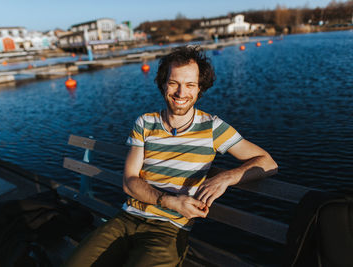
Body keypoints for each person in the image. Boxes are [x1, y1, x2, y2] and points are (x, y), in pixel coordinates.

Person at [64, 46, 278, 267]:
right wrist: (172, 201)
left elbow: (268, 163)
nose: (181, 93)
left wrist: (227, 177)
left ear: (199, 89)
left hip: (167, 230)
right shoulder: (145, 123)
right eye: (174, 83)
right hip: (126, 219)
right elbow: (129, 182)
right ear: (163, 84)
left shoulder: (212, 127)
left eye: (190, 85)